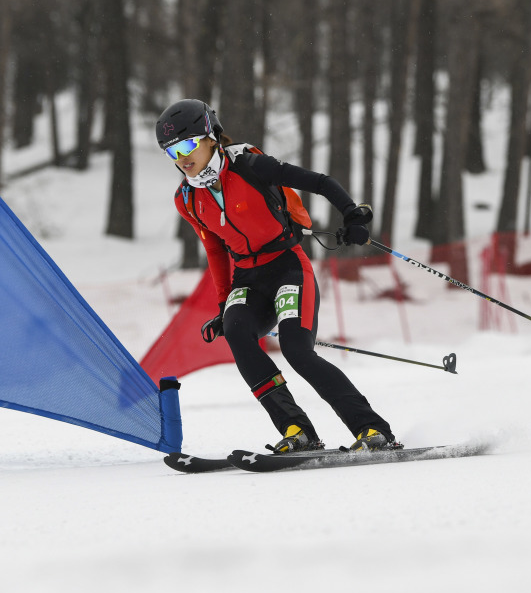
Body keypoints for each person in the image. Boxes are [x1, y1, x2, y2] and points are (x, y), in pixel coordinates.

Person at [155, 98, 400, 453]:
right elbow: (215, 251)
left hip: (287, 265)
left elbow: (320, 181)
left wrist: (352, 215)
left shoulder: (251, 166)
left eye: (188, 144)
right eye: (171, 151)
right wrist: (224, 303)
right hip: (247, 278)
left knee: (296, 350)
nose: (182, 158)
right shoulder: (188, 199)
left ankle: (372, 430)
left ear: (210, 135)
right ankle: (297, 430)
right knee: (237, 332)